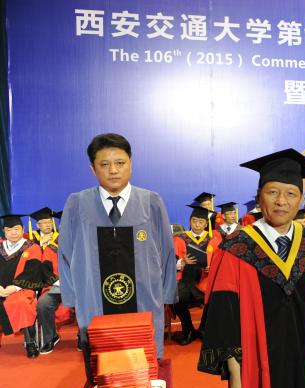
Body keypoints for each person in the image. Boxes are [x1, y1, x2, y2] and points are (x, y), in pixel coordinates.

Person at [198, 149, 305, 388]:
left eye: (291, 194)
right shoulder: (236, 248)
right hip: (255, 366)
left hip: (303, 360)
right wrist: (234, 370)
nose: (282, 201)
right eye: (273, 192)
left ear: (300, 200)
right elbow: (223, 315)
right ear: (259, 197)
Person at [58, 133, 177, 375]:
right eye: (104, 164)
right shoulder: (77, 203)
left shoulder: (151, 201)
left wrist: (167, 293)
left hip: (144, 302)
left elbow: (167, 250)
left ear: (131, 163)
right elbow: (66, 254)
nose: (113, 170)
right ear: (93, 168)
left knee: (145, 374)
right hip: (94, 303)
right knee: (102, 374)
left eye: (120, 163)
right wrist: (71, 298)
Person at [172, 204, 221, 345]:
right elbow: (171, 263)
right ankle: (188, 330)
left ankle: (204, 328)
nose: (197, 224)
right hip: (185, 280)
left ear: (206, 224)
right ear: (189, 221)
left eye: (201, 222)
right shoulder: (180, 238)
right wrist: (182, 262)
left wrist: (212, 268)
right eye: (194, 221)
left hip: (206, 280)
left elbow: (221, 261)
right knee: (177, 297)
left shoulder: (213, 239)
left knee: (217, 296)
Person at [0, 214, 44, 358]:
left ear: (23, 229)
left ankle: (30, 342)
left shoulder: (32, 248)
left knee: (19, 303)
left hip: (22, 288)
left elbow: (33, 271)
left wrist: (14, 288)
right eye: (9, 230)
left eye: (16, 229)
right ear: (4, 231)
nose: (13, 233)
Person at [31, 207, 70, 354]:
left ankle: (83, 337)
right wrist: (58, 282)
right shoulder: (50, 247)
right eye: (44, 222)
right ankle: (50, 337)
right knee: (43, 304)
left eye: (49, 222)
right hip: (54, 285)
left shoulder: (82, 242)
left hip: (79, 286)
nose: (48, 225)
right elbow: (45, 269)